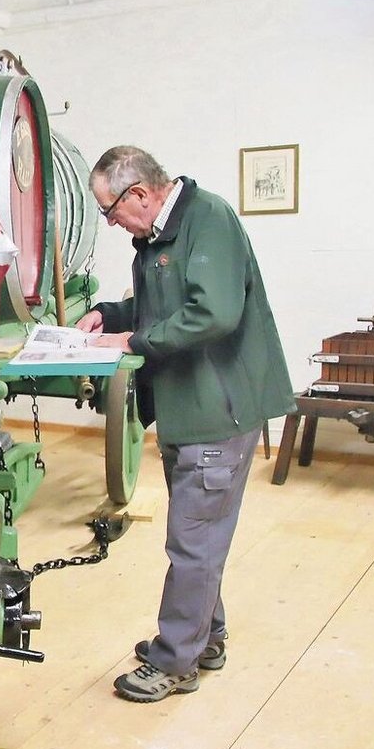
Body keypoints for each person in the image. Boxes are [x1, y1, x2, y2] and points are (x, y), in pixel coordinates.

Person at [75, 145, 295, 703]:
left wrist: (134, 340)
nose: (111, 222)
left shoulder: (208, 220)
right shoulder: (159, 239)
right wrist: (116, 314)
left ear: (140, 195)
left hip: (215, 412)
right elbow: (162, 305)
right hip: (186, 409)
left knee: (192, 543)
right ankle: (205, 638)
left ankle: (176, 663)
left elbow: (214, 313)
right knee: (201, 535)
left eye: (109, 211)